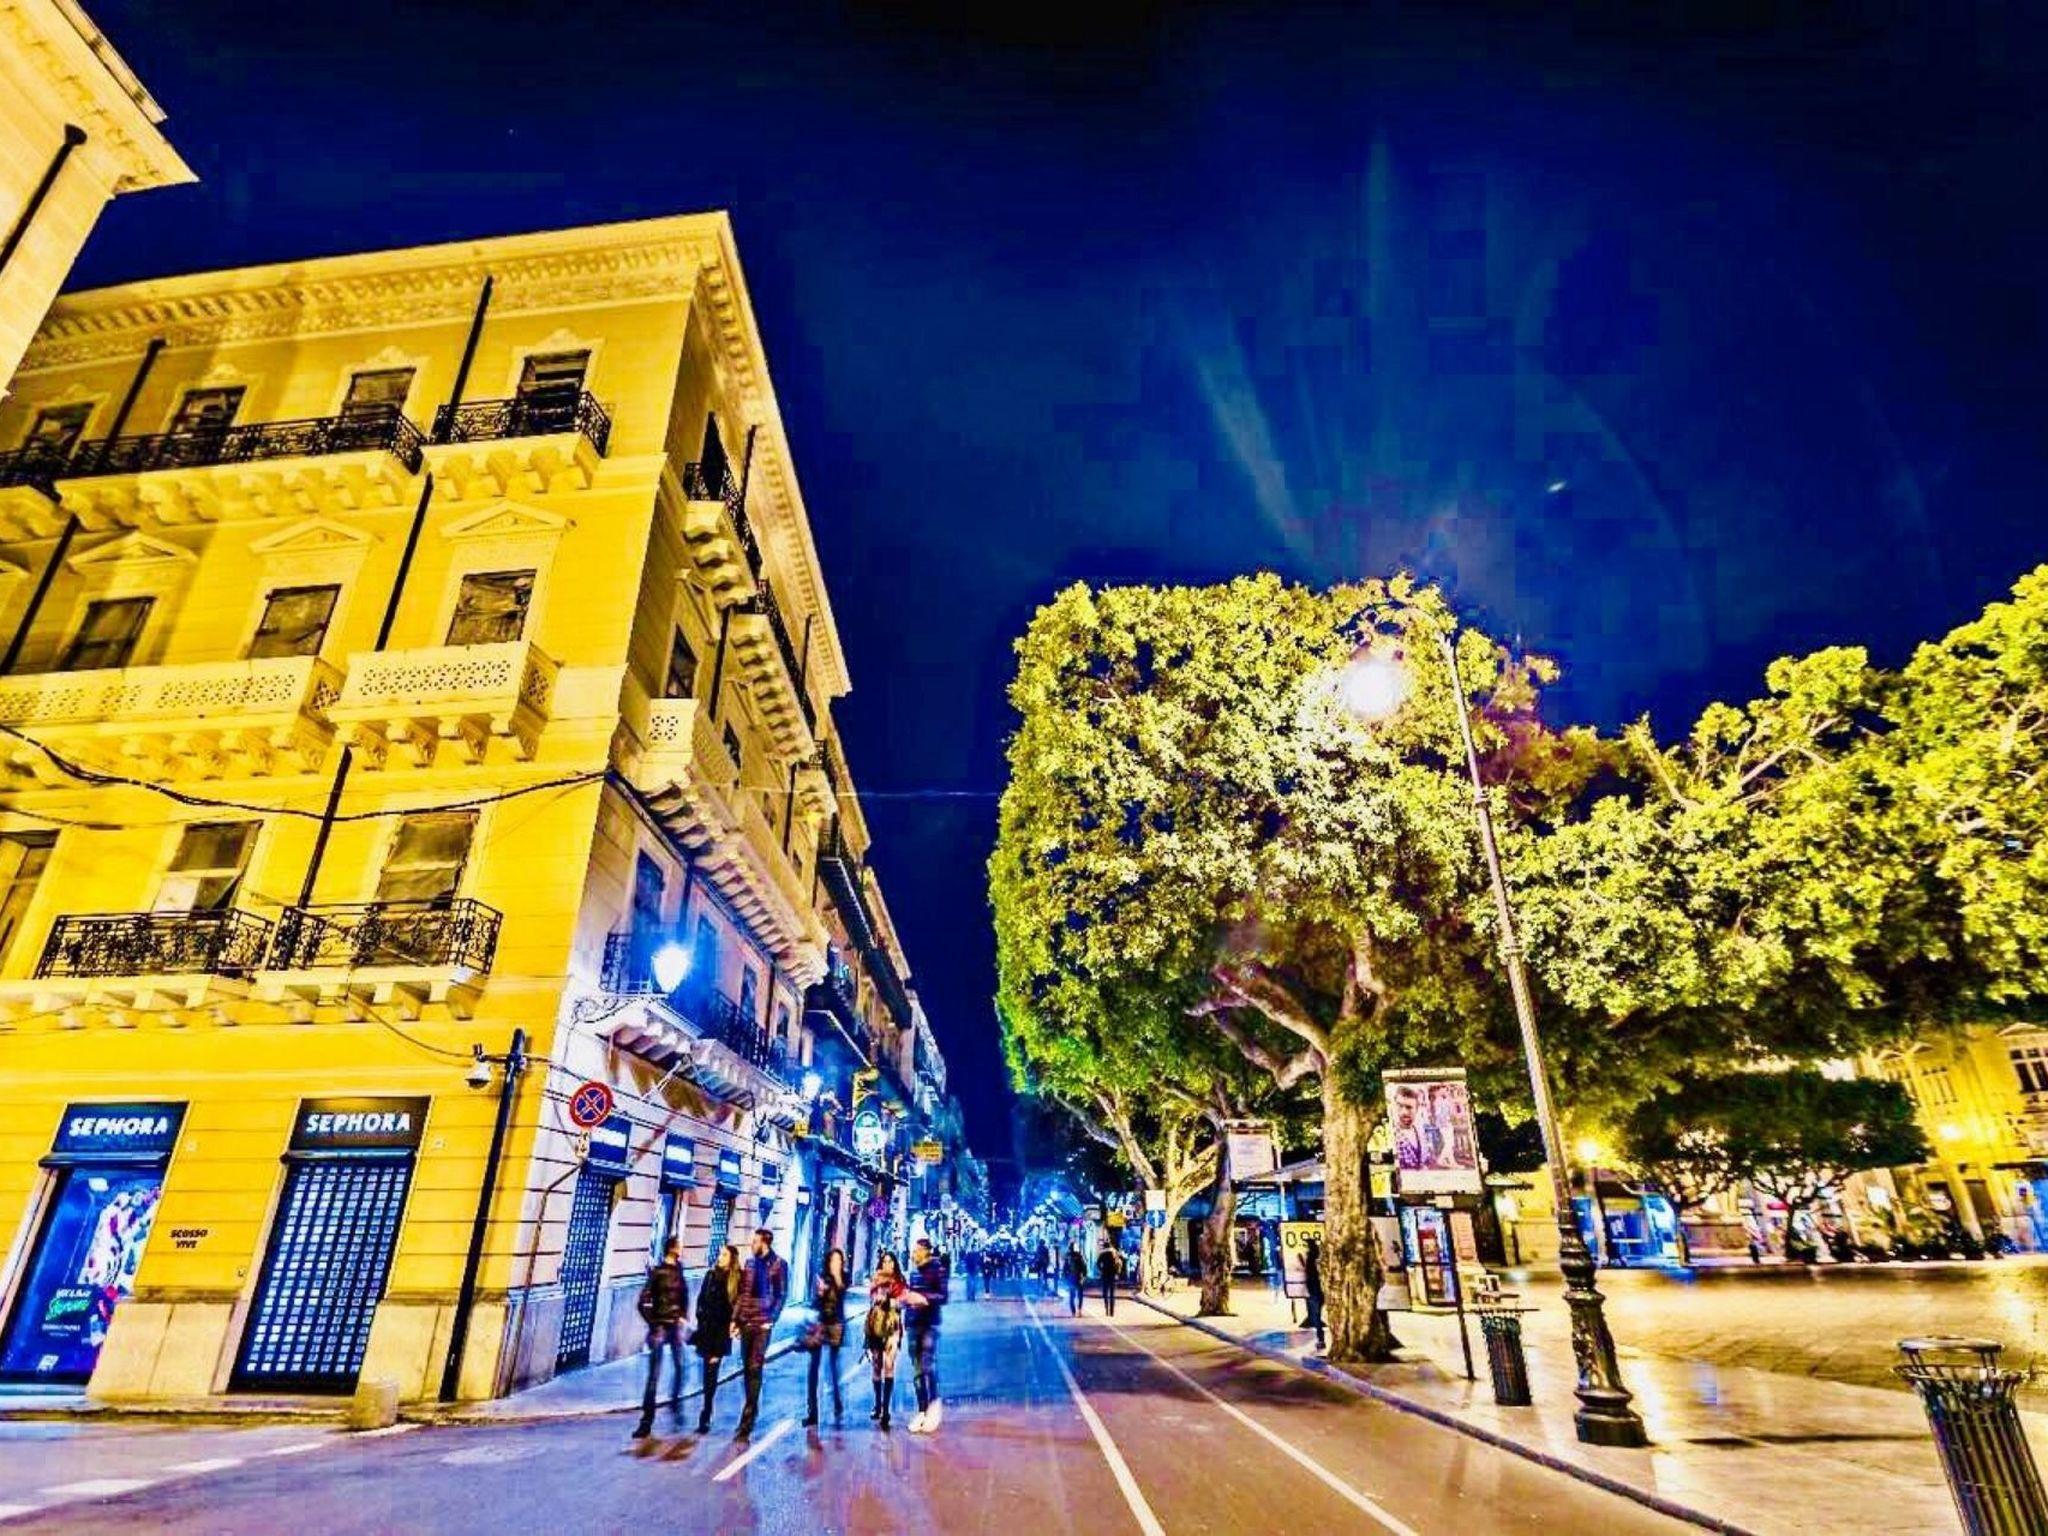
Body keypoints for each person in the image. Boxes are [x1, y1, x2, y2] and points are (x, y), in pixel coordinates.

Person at [632, 1237, 690, 1438]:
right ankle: (646, 1421)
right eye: (679, 1246)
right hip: (660, 1327)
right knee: (654, 1375)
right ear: (672, 1249)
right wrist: (653, 1324)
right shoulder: (658, 1272)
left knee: (681, 1367)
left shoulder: (680, 1270)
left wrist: (683, 1317)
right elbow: (642, 1302)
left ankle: (675, 1405)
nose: (682, 1248)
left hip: (674, 1326)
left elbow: (684, 1297)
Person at [733, 1228, 788, 1437]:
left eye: (755, 1241)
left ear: (765, 1243)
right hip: (746, 1322)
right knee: (747, 1368)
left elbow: (781, 1294)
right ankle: (752, 1406)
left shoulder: (779, 1264)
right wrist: (735, 1320)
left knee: (755, 1367)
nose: (752, 1244)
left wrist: (771, 1320)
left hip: (762, 1324)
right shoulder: (749, 1263)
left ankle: (747, 1418)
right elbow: (742, 1294)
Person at [691, 1243, 740, 1434]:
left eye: (724, 1255)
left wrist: (735, 1326)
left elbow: (736, 1306)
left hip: (720, 1333)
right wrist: (700, 1318)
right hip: (706, 1329)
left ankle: (706, 1414)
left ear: (732, 1259)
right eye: (720, 1254)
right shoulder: (710, 1275)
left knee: (712, 1372)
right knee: (707, 1372)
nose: (720, 1257)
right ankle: (706, 1410)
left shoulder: (736, 1279)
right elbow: (701, 1300)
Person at [901, 1235, 949, 1433]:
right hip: (912, 1323)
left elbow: (943, 1296)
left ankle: (933, 1405)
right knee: (917, 1370)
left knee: (927, 1365)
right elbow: (909, 1294)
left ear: (926, 1251)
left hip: (928, 1324)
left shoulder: (937, 1269)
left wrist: (923, 1298)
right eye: (914, 1251)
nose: (914, 1254)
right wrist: (905, 1301)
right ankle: (921, 1410)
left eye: (917, 1250)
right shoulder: (914, 1272)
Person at [804, 1247, 850, 1427]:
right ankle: (812, 1412)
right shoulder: (822, 1276)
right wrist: (820, 1293)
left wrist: (836, 1277)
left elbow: (842, 1292)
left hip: (836, 1324)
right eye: (833, 1260)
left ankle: (837, 1404)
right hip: (820, 1324)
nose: (835, 1263)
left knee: (833, 1367)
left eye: (839, 1260)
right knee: (813, 1368)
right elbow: (816, 1302)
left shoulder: (844, 1277)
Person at [866, 1251, 907, 1429]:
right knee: (876, 1365)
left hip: (893, 1327)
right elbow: (872, 1299)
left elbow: (904, 1301)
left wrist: (893, 1301)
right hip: (876, 1326)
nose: (887, 1264)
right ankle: (877, 1404)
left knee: (889, 1365)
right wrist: (878, 1297)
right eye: (884, 1261)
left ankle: (886, 1409)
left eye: (891, 1261)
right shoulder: (876, 1279)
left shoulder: (899, 1281)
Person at [1302, 1235, 1326, 1352]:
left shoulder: (1311, 1259)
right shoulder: (1319, 1257)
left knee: (1316, 1316)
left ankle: (1321, 1340)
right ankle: (1320, 1339)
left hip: (1315, 1290)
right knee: (1317, 1315)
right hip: (1320, 1290)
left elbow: (1310, 1275)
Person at [1095, 1238, 1122, 1317]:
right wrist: (1117, 1273)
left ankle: (1106, 1309)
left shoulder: (1102, 1253)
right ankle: (1112, 1311)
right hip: (1112, 1275)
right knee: (1112, 1294)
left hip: (1105, 1274)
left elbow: (1097, 1263)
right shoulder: (1114, 1252)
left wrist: (1101, 1270)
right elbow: (1119, 1263)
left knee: (1105, 1293)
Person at [1064, 1243, 1088, 1315]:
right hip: (1078, 1277)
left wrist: (1066, 1277)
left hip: (1071, 1278)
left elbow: (1065, 1268)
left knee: (1072, 1295)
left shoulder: (1068, 1256)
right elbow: (1084, 1267)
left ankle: (1073, 1311)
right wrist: (1084, 1276)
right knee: (1080, 1295)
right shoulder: (1079, 1256)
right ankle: (1079, 1310)